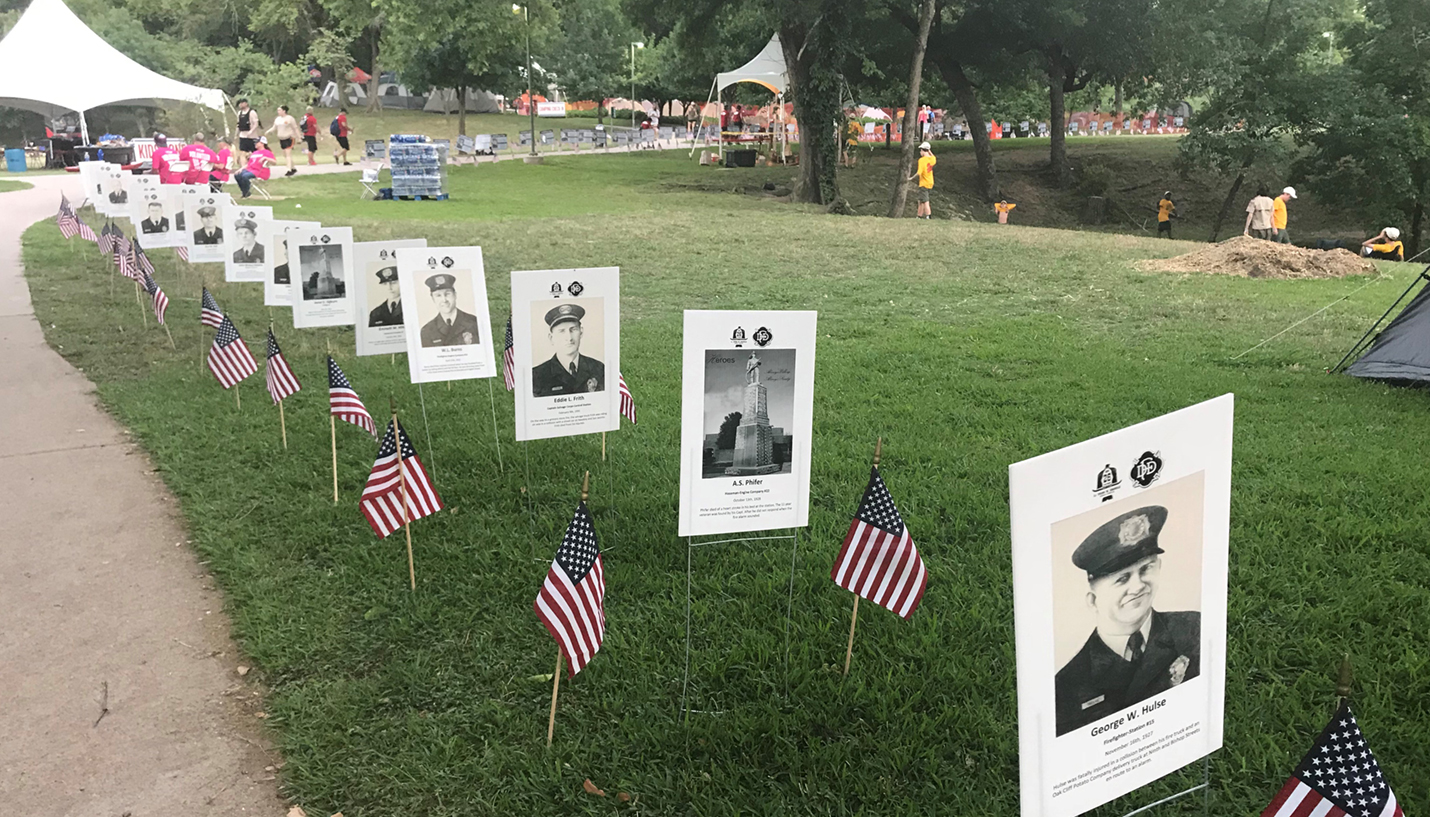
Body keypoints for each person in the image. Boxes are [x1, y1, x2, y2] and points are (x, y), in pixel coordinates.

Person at [1054, 506, 1201, 736]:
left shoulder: (1193, 629)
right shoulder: (1067, 685)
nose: (1138, 586)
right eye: (1122, 579)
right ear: (1093, 600)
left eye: (1146, 569)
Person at [531, 303, 605, 396]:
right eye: (562, 331)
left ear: (581, 332)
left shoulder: (598, 368)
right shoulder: (537, 375)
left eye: (573, 329)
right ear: (551, 338)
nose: (569, 338)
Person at [419, 274, 481, 347]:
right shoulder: (427, 331)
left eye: (447, 294)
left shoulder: (474, 323)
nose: (444, 300)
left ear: (455, 295)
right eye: (438, 295)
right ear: (433, 299)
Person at [264, 105, 301, 176]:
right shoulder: (278, 119)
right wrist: (268, 131)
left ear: (284, 111)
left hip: (289, 138)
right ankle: (293, 168)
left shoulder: (290, 118)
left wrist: (299, 137)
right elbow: (274, 127)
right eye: (278, 110)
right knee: (285, 154)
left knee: (288, 154)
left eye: (280, 110)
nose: (278, 112)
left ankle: (289, 169)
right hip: (281, 139)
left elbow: (295, 128)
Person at [908, 141, 935, 220]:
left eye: (921, 150)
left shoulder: (922, 160)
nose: (920, 152)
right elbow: (934, 157)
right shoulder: (931, 159)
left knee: (925, 200)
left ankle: (928, 215)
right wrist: (929, 151)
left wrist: (911, 178)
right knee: (921, 200)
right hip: (930, 182)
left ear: (923, 151)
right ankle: (919, 216)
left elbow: (919, 172)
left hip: (924, 183)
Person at [235, 99, 262, 165]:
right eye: (239, 103)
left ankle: (256, 166)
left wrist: (251, 131)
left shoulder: (252, 112)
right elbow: (238, 124)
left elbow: (256, 123)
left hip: (251, 136)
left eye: (242, 103)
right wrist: (236, 134)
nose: (240, 105)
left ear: (246, 103)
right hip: (242, 135)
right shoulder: (239, 113)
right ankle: (244, 167)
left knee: (254, 152)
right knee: (243, 152)